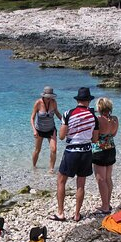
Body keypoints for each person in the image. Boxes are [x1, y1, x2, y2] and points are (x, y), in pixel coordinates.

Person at [51, 87, 99, 222]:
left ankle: (60, 213)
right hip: (86, 152)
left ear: (77, 100)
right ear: (89, 101)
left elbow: (61, 136)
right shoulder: (93, 117)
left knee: (61, 181)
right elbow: (95, 139)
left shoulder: (68, 114)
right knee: (81, 184)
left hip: (72, 152)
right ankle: (77, 214)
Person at [90, 97, 119, 215]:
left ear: (99, 108)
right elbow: (114, 134)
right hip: (111, 149)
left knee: (101, 179)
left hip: (99, 151)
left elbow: (95, 138)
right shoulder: (115, 119)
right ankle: (107, 203)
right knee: (108, 178)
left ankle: (105, 206)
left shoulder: (97, 119)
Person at [30, 86, 63, 173]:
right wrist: (34, 130)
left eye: (50, 97)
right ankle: (34, 167)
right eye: (48, 97)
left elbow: (57, 113)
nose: (49, 99)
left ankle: (51, 168)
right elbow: (32, 118)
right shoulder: (38, 103)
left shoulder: (53, 102)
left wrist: (65, 122)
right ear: (44, 96)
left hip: (51, 129)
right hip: (39, 130)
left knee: (54, 149)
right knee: (37, 150)